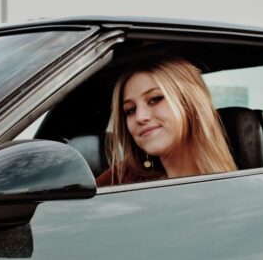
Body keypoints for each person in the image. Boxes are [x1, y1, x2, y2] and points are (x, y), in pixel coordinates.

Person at [96, 55, 237, 187]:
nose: (140, 117)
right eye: (130, 110)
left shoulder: (243, 185)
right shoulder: (121, 179)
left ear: (189, 103)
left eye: (155, 99)